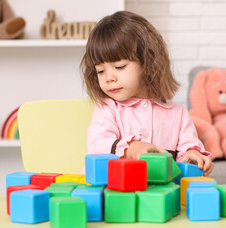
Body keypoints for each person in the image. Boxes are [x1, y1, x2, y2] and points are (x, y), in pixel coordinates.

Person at [80, 11, 214, 176]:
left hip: (156, 196)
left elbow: (188, 151)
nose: (108, 78)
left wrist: (193, 157)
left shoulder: (178, 115)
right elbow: (97, 144)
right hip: (108, 191)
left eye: (119, 67)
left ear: (147, 62)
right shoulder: (108, 108)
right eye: (100, 71)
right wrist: (131, 148)